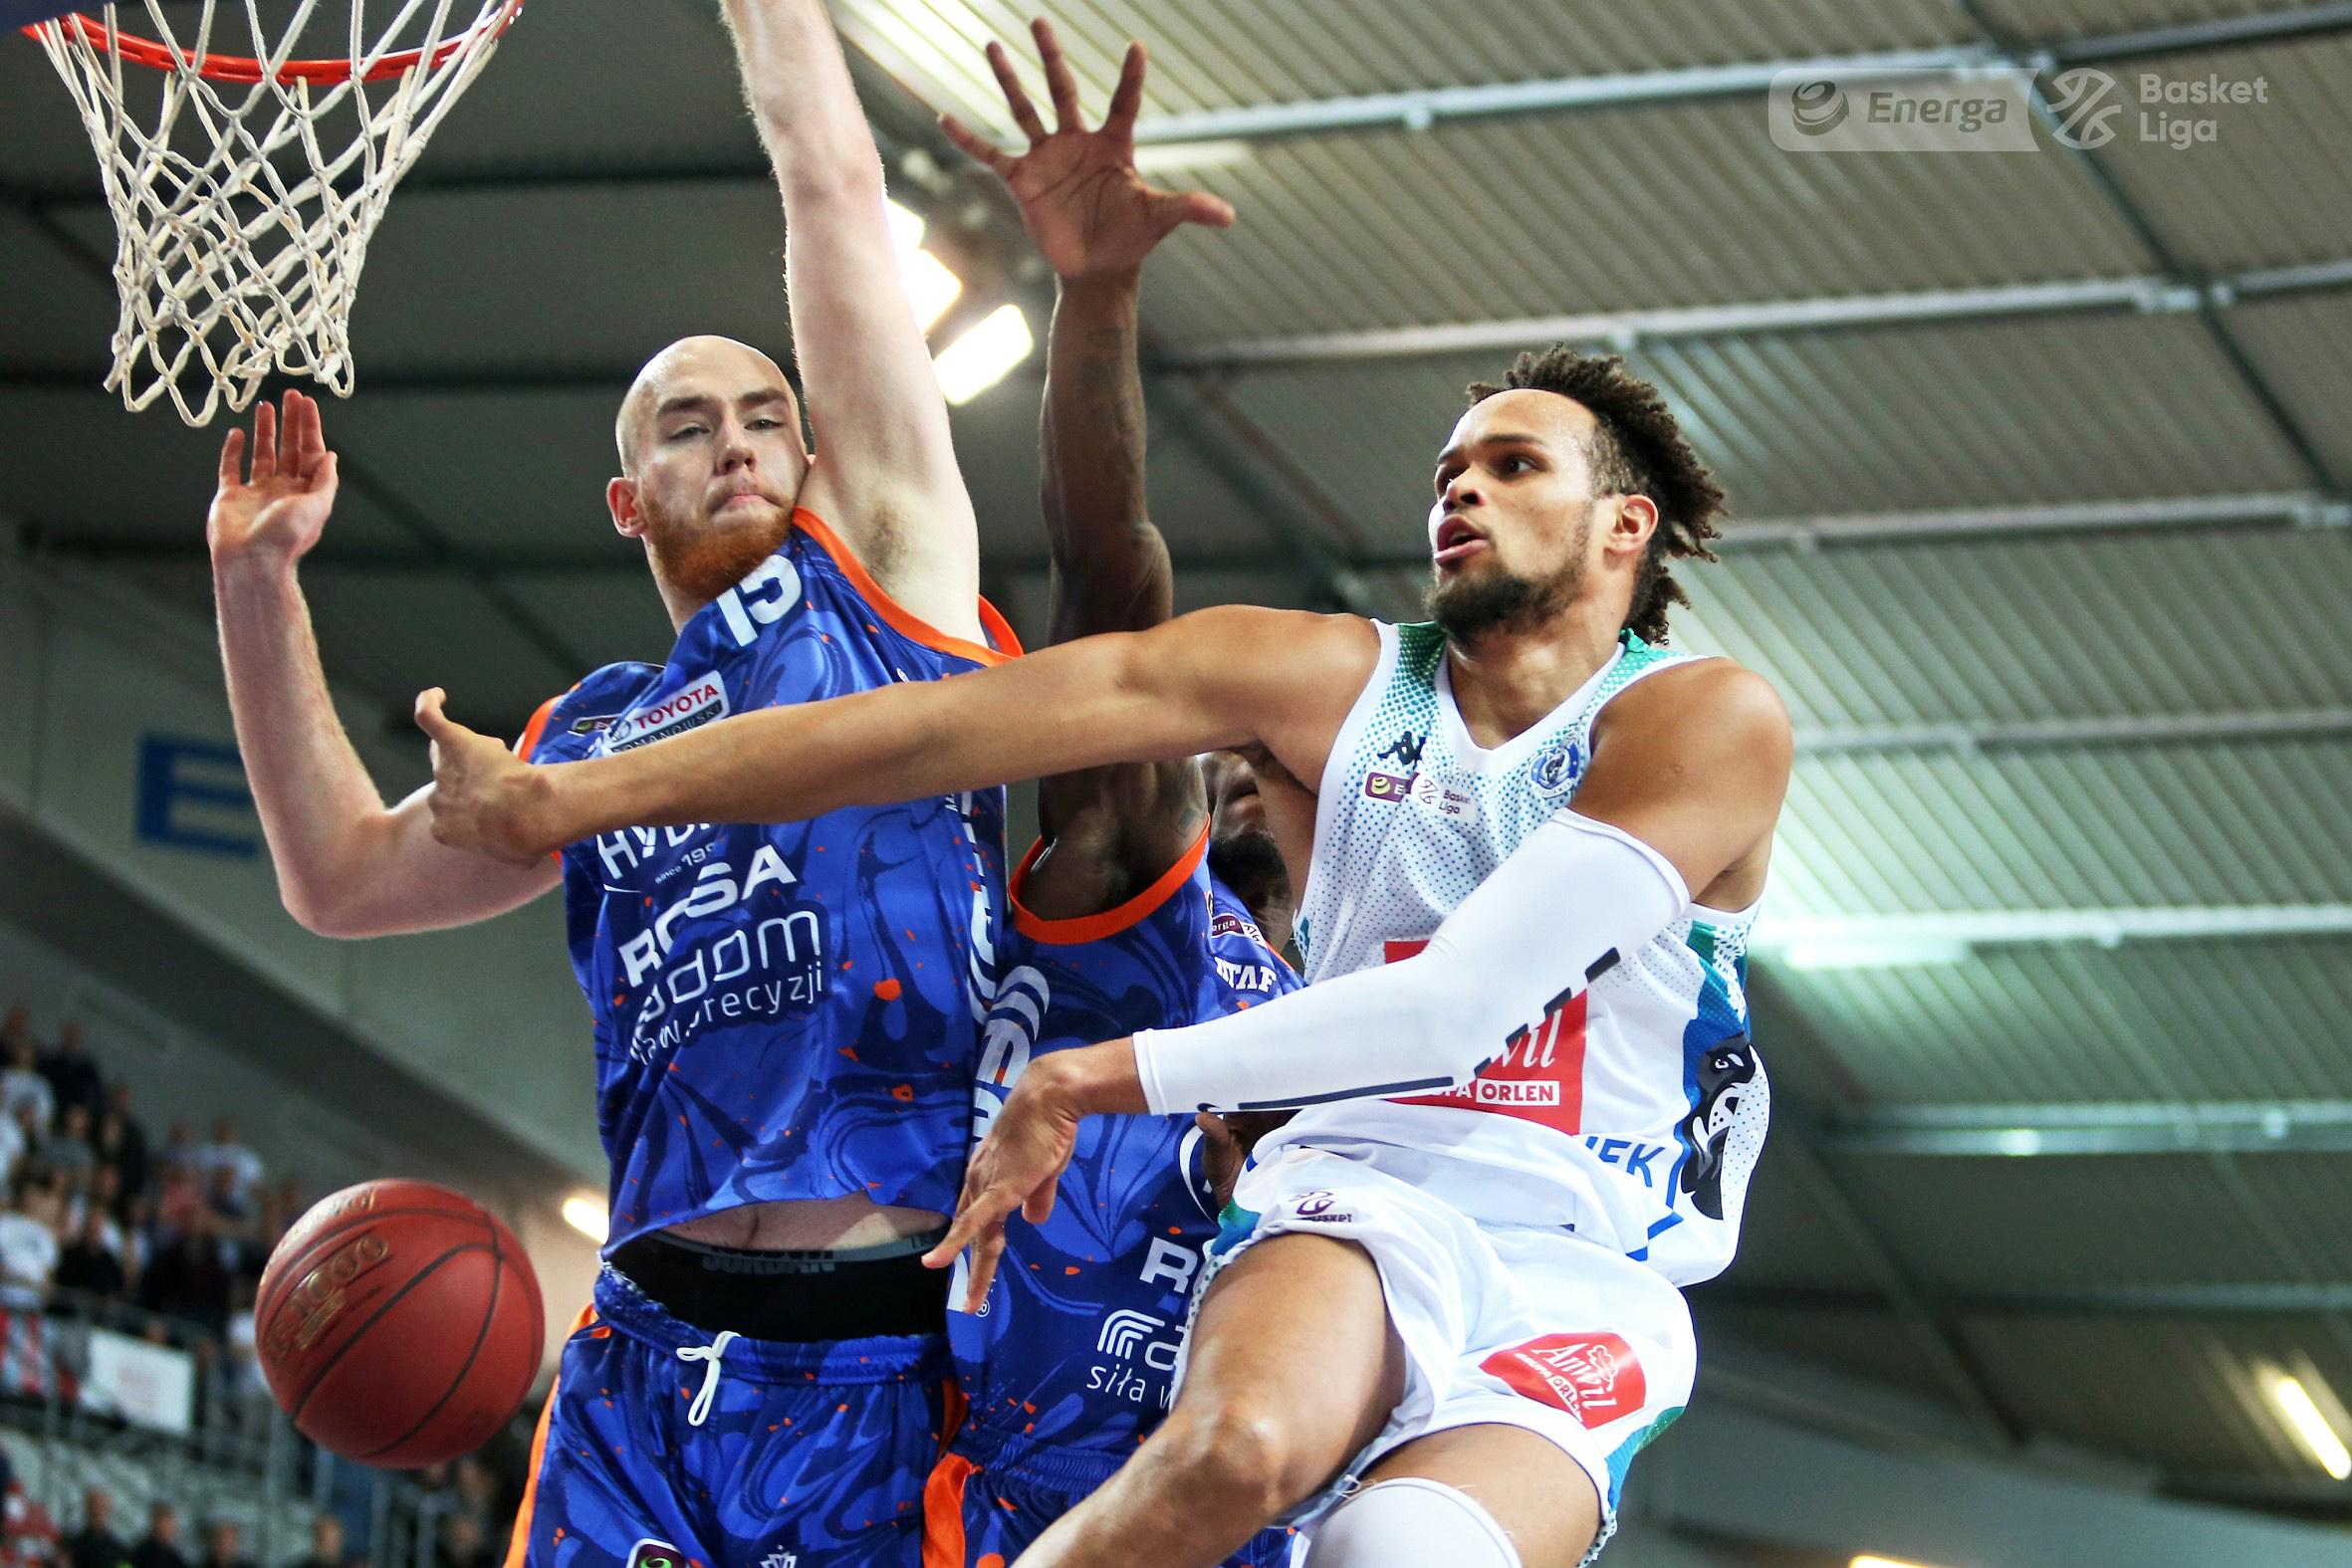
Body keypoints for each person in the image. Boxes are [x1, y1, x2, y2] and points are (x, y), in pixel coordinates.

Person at [424, 322, 1789, 1564]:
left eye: (1510, 464)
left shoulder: (1704, 718)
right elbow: (942, 718)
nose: (1460, 491)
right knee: (1234, 1450)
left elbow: (1454, 1008)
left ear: (1624, 524)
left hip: (1589, 1263)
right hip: (1348, 1213)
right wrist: (572, 794)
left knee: (1396, 1551)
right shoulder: (1334, 691)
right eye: (1448, 471)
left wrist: (1088, 1078)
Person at [204, 1, 1024, 1561]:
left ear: (817, 459)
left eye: (767, 418)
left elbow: (831, 184)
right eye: (688, 427)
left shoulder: (891, 589)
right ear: (626, 498)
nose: (738, 443)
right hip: (641, 1352)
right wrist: (259, 584)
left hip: (879, 1344)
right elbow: (340, 879)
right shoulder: (585, 736)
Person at [902, 25, 1294, 1567]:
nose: (1241, 760)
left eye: (1274, 746)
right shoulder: (1143, 890)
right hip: (1011, 1506)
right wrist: (1100, 295)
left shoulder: (1381, 1006)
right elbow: (1113, 581)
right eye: (1226, 741)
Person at [64, 1491, 128, 1568]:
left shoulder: (119, 1551)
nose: (97, 1511)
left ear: (109, 1511)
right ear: (87, 1510)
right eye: (93, 1507)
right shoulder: (72, 1545)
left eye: (102, 1508)